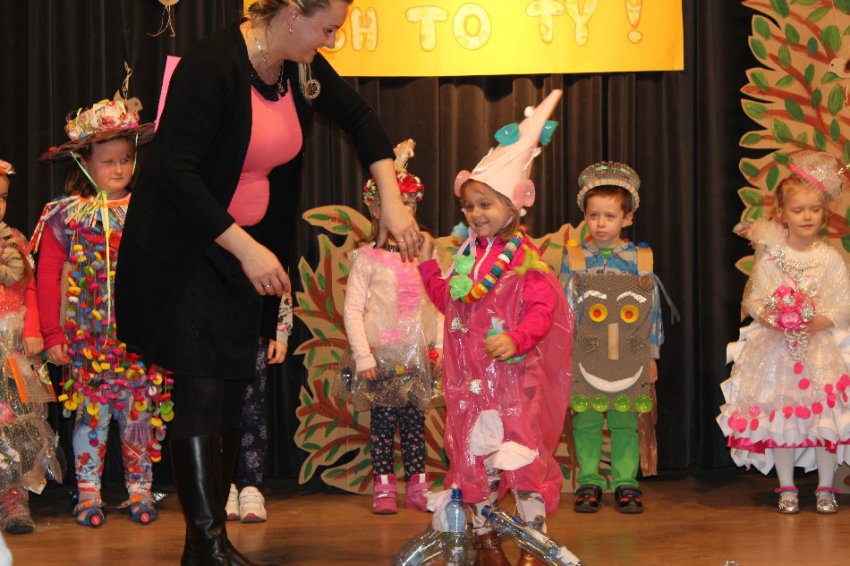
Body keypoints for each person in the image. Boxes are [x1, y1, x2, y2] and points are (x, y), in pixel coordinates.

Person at [114, 1, 420, 563]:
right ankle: (204, 544)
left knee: (231, 389)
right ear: (292, 13)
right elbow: (173, 171)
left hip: (246, 251)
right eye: (327, 28)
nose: (330, 41)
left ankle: (209, 546)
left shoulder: (297, 69)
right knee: (203, 389)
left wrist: (394, 203)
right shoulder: (213, 65)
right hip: (189, 249)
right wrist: (245, 247)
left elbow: (361, 119)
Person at [418, 90, 574, 565]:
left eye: (485, 204)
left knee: (522, 462)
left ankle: (532, 543)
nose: (475, 214)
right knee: (475, 463)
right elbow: (451, 303)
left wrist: (516, 337)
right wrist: (427, 266)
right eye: (468, 207)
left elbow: (543, 314)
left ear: (514, 204)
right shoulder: (466, 256)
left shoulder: (527, 260)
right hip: (470, 384)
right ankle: (485, 539)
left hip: (514, 383)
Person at [31, 95, 170, 528]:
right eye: (108, 161)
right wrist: (53, 334)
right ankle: (88, 491)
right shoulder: (66, 215)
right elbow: (48, 275)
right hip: (86, 343)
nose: (119, 169)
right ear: (84, 163)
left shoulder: (147, 210)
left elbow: (166, 271)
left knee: (138, 416)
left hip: (137, 341)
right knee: (91, 417)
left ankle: (140, 489)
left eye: (125, 159)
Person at [718, 151, 850, 514]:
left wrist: (820, 320)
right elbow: (755, 299)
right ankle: (787, 486)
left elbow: (843, 301)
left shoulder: (830, 258)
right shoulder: (773, 257)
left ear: (824, 214)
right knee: (783, 417)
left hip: (819, 351)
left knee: (824, 418)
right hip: (778, 352)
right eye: (799, 210)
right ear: (783, 214)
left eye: (814, 209)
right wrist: (774, 317)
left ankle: (825, 486)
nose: (807, 216)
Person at [559, 161, 668, 514]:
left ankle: (625, 482)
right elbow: (564, 311)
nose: (601, 224)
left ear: (627, 218)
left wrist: (651, 356)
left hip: (630, 352)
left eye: (609, 216)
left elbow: (652, 312)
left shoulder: (640, 258)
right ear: (584, 217)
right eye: (593, 216)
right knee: (587, 418)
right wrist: (564, 352)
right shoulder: (575, 258)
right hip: (585, 351)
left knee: (625, 420)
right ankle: (589, 481)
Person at [341, 140, 442, 515]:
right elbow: (353, 309)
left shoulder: (427, 251)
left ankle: (418, 485)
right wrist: (362, 355)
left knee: (415, 426)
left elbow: (438, 301)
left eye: (410, 204)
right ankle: (383, 485)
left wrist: (439, 346)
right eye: (396, 203)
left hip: (417, 359)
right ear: (376, 207)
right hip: (380, 358)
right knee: (382, 426)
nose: (405, 211)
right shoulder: (367, 258)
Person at [0, 159, 63, 535]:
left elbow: (31, 289)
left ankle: (13, 497)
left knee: (15, 424)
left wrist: (34, 330)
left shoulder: (17, 241)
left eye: (3, 197)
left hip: (13, 348)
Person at [225, 292, 293, 523]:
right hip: (210, 339)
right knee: (215, 415)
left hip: (253, 340)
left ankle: (251, 487)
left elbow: (279, 284)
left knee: (252, 415)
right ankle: (222, 487)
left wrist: (279, 333)